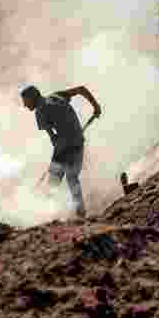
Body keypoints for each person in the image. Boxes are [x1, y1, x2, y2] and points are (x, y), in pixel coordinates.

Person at [21, 84, 102, 218]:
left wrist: (57, 150)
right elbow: (81, 89)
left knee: (60, 180)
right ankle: (71, 212)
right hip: (76, 142)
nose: (25, 105)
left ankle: (62, 214)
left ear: (32, 97)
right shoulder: (56, 95)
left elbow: (53, 138)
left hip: (68, 146)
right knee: (68, 178)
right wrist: (96, 105)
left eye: (26, 101)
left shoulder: (40, 112)